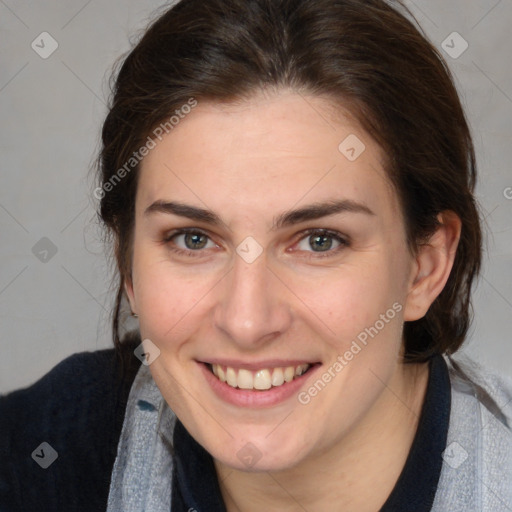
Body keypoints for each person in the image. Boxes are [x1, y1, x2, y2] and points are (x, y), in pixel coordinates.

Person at [1, 0, 511, 510]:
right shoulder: (40, 459)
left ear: (425, 265)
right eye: (193, 239)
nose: (247, 322)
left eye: (319, 241)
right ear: (127, 263)